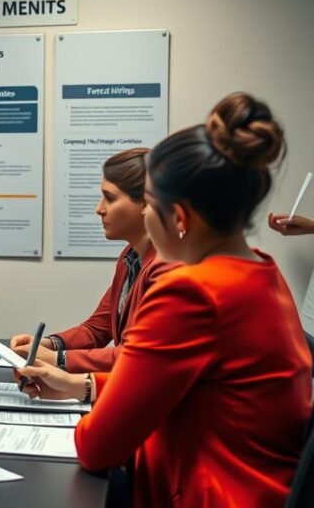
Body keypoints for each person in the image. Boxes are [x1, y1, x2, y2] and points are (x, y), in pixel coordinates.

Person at [17, 93, 312, 507]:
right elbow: (189, 389)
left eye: (150, 205)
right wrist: (81, 386)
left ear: (179, 217)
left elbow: (99, 446)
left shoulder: (193, 293)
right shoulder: (263, 273)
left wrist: (83, 390)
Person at [11, 148, 177, 372]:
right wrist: (49, 344)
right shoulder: (130, 257)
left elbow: (139, 357)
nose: (99, 209)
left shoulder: (168, 268)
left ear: (147, 203)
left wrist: (58, 360)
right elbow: (97, 329)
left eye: (109, 198)